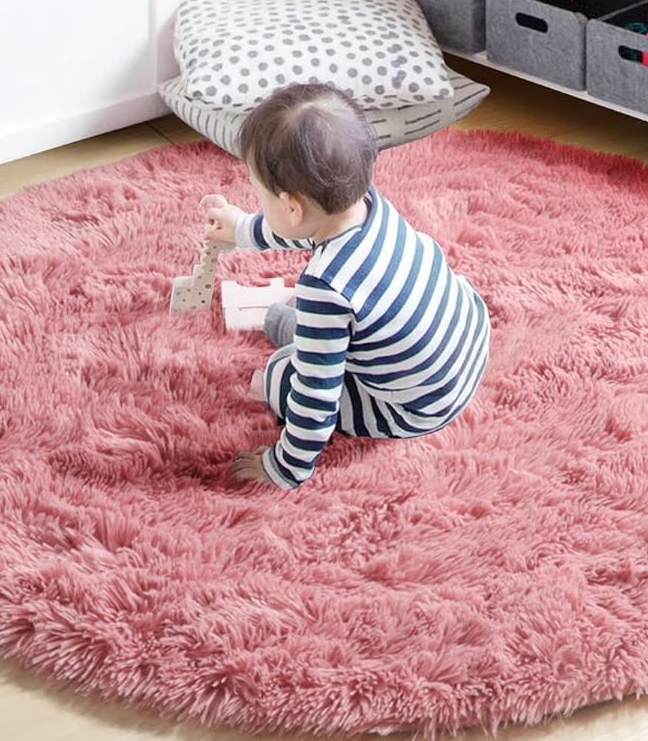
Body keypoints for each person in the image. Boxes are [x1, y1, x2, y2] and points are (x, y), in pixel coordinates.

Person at [203, 83, 489, 490]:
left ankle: (298, 337)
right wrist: (243, 229)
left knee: (283, 374)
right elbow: (305, 228)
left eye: (259, 194)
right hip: (467, 342)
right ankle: (304, 332)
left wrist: (283, 467)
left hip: (417, 408)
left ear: (291, 206)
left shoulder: (325, 287)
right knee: (335, 318)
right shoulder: (366, 205)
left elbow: (316, 400)